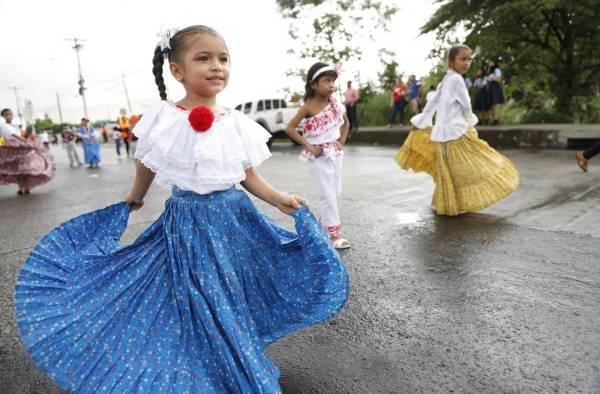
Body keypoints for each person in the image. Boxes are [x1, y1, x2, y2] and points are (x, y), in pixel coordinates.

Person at [15, 25, 348, 393]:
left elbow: (246, 174)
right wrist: (134, 196)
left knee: (230, 293)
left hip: (235, 222)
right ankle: (218, 366)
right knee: (204, 293)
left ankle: (233, 359)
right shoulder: (164, 116)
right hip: (187, 223)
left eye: (223, 58)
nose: (216, 66)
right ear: (177, 71)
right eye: (203, 58)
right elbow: (147, 164)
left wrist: (278, 197)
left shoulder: (236, 122)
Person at [395, 45, 519, 216]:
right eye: (462, 59)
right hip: (453, 131)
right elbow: (466, 104)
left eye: (469, 59)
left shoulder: (446, 79)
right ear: (452, 61)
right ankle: (454, 202)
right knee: (463, 168)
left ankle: (451, 202)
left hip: (447, 133)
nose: (467, 63)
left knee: (449, 170)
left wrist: (423, 120)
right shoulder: (455, 80)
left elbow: (433, 103)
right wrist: (469, 122)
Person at [284, 62, 351, 249]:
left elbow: (346, 124)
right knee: (327, 195)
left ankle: (323, 227)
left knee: (334, 193)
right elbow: (289, 128)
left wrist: (341, 141)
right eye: (326, 80)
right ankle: (334, 235)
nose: (331, 85)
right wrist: (309, 146)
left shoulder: (336, 104)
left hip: (335, 154)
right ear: (314, 84)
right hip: (319, 156)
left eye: (333, 81)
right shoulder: (307, 107)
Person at [0, 108, 55, 194]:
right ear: (3, 116)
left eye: (10, 114)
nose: (8, 116)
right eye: (6, 115)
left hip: (21, 148)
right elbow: (13, 135)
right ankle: (21, 188)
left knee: (25, 171)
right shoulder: (3, 126)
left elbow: (21, 135)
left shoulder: (16, 125)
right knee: (17, 171)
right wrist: (26, 140)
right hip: (12, 150)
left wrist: (27, 140)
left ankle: (26, 188)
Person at [487, 60, 504, 125]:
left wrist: (492, 78)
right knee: (492, 104)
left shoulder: (497, 70)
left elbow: (499, 79)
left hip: (495, 87)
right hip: (491, 88)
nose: (490, 63)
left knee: (496, 103)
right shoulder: (490, 71)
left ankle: (496, 119)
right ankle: (494, 118)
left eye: (491, 61)